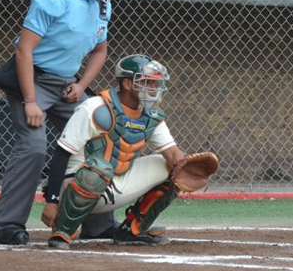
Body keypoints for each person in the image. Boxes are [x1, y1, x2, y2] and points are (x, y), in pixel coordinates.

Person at [0, 0, 121, 245]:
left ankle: (98, 224)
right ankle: (4, 226)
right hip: (31, 79)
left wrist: (82, 85)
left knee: (99, 140)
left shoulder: (103, 0)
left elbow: (100, 50)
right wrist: (31, 100)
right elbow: (24, 50)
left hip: (67, 84)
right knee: (33, 147)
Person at [40, 54, 186, 250]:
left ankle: (131, 230)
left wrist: (190, 168)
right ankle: (63, 231)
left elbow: (173, 154)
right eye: (146, 82)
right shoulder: (95, 108)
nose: (153, 88)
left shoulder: (151, 115)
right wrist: (52, 201)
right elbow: (61, 153)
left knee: (172, 168)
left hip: (114, 182)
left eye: (155, 83)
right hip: (78, 182)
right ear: (127, 83)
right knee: (98, 169)